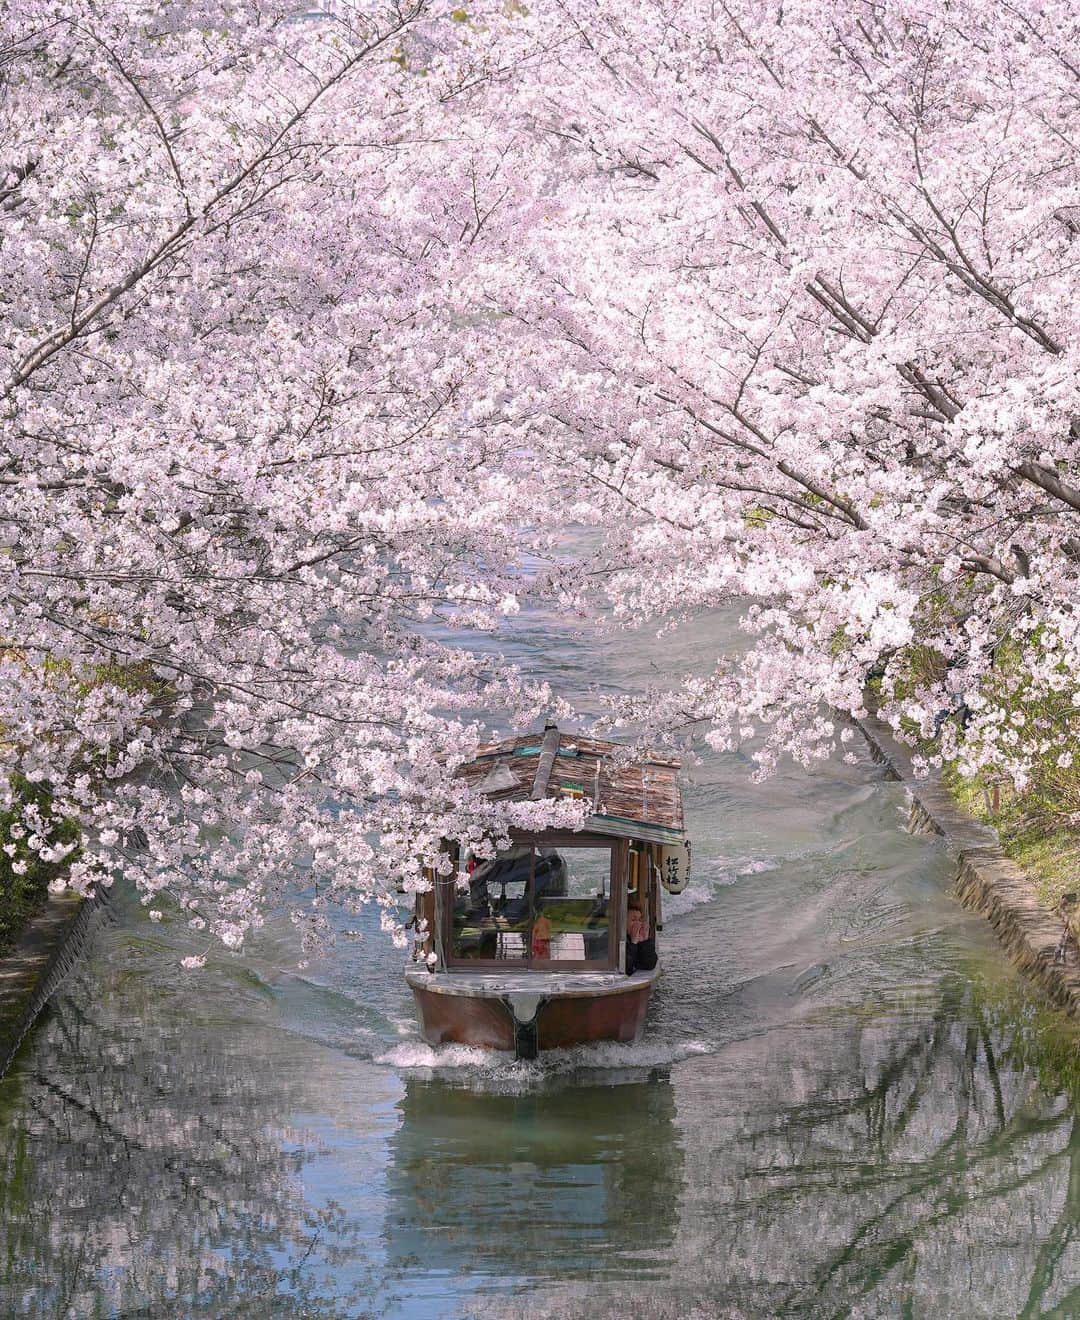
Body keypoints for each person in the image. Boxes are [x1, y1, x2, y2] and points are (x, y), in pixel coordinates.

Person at [626, 902, 657, 975]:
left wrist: (644, 941)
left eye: (639, 920)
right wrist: (633, 943)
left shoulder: (639, 939)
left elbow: (649, 965)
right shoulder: (612, 940)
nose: (638, 924)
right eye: (633, 920)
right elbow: (626, 967)